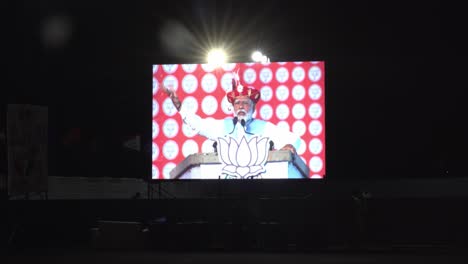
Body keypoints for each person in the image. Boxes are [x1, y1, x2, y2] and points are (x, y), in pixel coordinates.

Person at [161, 77, 302, 154]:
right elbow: (197, 124)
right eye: (237, 103)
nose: (240, 106)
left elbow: (295, 140)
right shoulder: (224, 125)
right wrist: (178, 105)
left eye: (245, 103)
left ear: (253, 107)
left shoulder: (263, 127)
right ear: (233, 107)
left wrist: (289, 145)